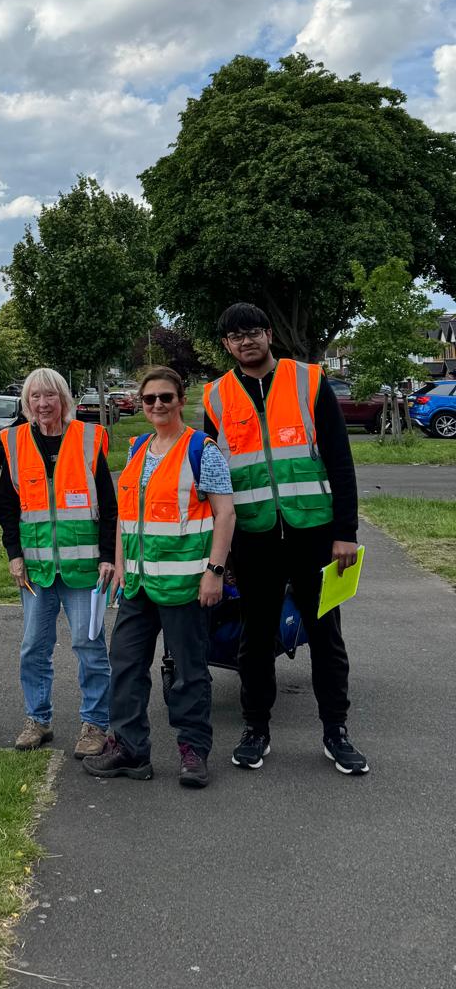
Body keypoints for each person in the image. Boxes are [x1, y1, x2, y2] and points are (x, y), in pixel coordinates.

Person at [204, 303, 368, 775]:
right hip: (253, 538)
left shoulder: (309, 380)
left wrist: (346, 533)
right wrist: (222, 550)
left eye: (253, 331)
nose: (246, 341)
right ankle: (256, 729)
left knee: (325, 634)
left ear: (269, 334)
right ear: (226, 345)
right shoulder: (216, 397)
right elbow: (213, 478)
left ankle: (336, 731)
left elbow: (340, 460)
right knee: (255, 637)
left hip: (315, 532)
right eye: (236, 336)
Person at [83, 366, 235, 788]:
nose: (156, 406)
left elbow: (225, 514)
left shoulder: (201, 450)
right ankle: (131, 750)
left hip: (186, 585)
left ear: (180, 399)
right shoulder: (136, 451)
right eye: (149, 399)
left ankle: (193, 751)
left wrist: (214, 573)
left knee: (188, 670)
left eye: (165, 397)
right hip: (138, 584)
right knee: (127, 664)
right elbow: (126, 518)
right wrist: (117, 565)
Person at [0, 368, 116, 760]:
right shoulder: (14, 443)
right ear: (26, 403)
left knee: (89, 645)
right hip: (36, 570)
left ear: (64, 399)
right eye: (35, 397)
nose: (43, 404)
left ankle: (95, 723)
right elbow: (8, 508)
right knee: (34, 647)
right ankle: (38, 719)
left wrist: (107, 557)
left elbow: (109, 506)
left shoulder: (88, 439)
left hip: (83, 570)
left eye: (50, 396)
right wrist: (13, 554)